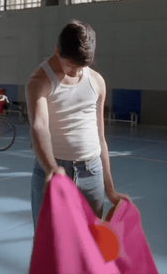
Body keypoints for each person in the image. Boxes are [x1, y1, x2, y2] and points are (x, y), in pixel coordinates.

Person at [25, 20, 129, 230]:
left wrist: (109, 189)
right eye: (71, 66)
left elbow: (101, 138)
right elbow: (39, 127)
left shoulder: (97, 82)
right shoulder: (40, 81)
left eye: (82, 67)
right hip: (55, 172)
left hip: (91, 173)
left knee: (90, 244)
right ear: (57, 51)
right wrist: (51, 168)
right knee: (49, 244)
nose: (76, 73)